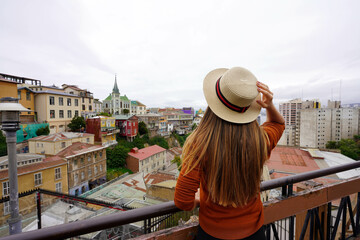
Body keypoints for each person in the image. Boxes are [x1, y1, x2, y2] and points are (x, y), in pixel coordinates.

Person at [174, 67, 285, 240]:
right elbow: (278, 124)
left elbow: (182, 201)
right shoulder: (260, 141)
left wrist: (200, 200)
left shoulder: (199, 145)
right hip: (254, 233)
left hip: (212, 234)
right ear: (248, 108)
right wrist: (270, 105)